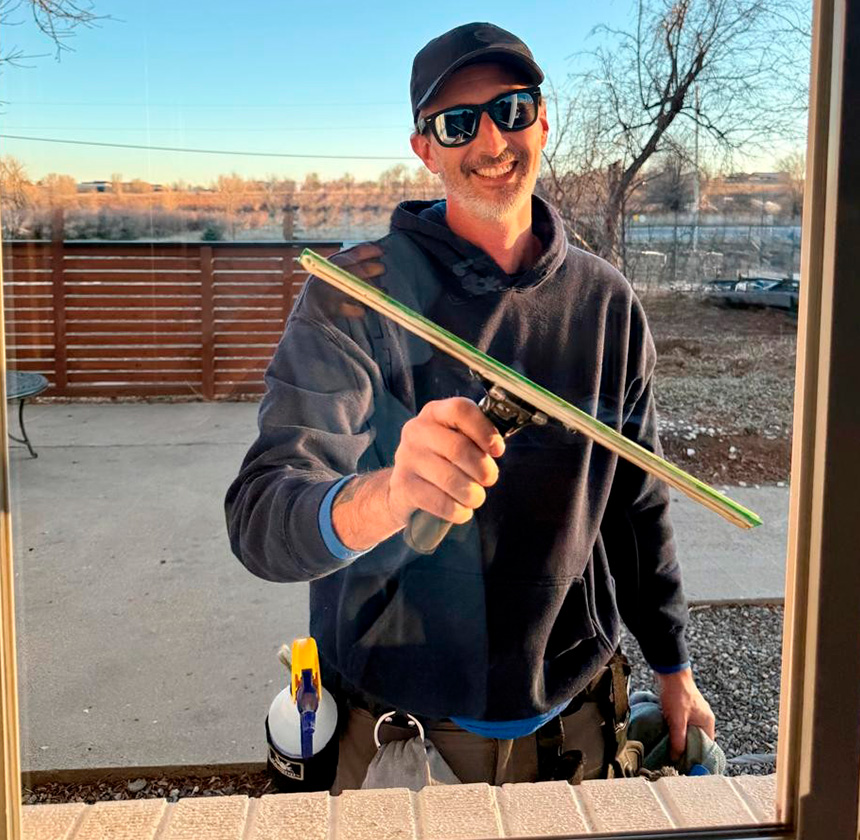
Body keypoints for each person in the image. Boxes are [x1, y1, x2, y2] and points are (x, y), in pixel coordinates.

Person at [226, 21, 715, 791]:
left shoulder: (605, 304)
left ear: (543, 120)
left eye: (513, 109)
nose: (492, 140)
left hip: (574, 724)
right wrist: (388, 493)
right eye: (458, 122)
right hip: (399, 735)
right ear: (424, 147)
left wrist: (672, 663)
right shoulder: (357, 296)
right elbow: (261, 519)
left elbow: (636, 505)